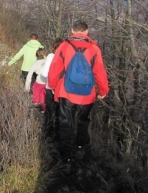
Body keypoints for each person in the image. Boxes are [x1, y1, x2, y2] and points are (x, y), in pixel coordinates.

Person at [48, 20, 109, 163]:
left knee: (65, 123)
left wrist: (52, 86)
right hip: (87, 95)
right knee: (83, 122)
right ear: (87, 32)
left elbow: (55, 69)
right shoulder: (94, 49)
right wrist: (103, 90)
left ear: (72, 31)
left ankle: (66, 156)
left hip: (66, 92)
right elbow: (100, 71)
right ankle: (80, 147)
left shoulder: (64, 46)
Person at [40, 38, 65, 140]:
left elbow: (44, 73)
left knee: (50, 112)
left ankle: (48, 134)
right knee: (62, 113)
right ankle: (60, 135)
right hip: (63, 89)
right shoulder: (68, 57)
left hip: (50, 88)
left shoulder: (51, 56)